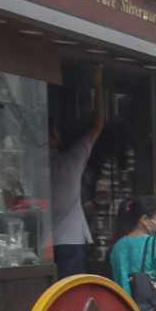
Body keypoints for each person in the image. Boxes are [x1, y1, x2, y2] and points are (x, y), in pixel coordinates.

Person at [51, 72, 104, 278]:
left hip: (44, 244)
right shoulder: (70, 160)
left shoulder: (34, 166)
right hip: (71, 240)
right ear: (54, 135)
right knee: (71, 294)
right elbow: (98, 125)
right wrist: (98, 84)